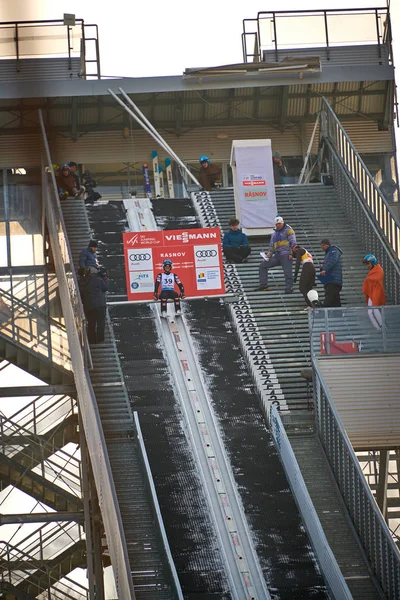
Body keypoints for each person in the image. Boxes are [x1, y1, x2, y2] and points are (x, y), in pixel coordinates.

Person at [255, 215, 296, 293]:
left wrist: (291, 254)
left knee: (288, 272)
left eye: (279, 224)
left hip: (286, 254)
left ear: (282, 222)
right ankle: (263, 285)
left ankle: (289, 288)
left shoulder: (289, 230)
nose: (278, 225)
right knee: (262, 266)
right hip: (277, 255)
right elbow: (271, 246)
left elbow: (293, 243)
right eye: (276, 224)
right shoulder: (274, 234)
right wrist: (268, 255)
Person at [79, 267, 109, 344]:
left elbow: (81, 295)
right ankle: (100, 339)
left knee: (91, 323)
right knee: (100, 322)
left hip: (88, 306)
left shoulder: (80, 283)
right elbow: (105, 288)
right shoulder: (97, 279)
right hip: (100, 304)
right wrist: (104, 278)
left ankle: (91, 340)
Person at [362, 254, 386, 330]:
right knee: (370, 312)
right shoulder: (374, 271)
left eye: (368, 263)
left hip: (376, 293)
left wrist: (368, 280)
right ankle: (378, 328)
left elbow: (373, 279)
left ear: (372, 262)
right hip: (372, 293)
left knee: (375, 310)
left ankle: (383, 327)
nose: (367, 266)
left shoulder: (379, 270)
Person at [319, 238, 343, 307]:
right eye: (321, 245)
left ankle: (323, 312)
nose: (322, 247)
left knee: (328, 300)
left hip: (333, 280)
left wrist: (324, 269)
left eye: (323, 245)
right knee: (335, 301)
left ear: (328, 245)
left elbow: (333, 261)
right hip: (331, 280)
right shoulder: (328, 253)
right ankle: (338, 315)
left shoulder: (333, 251)